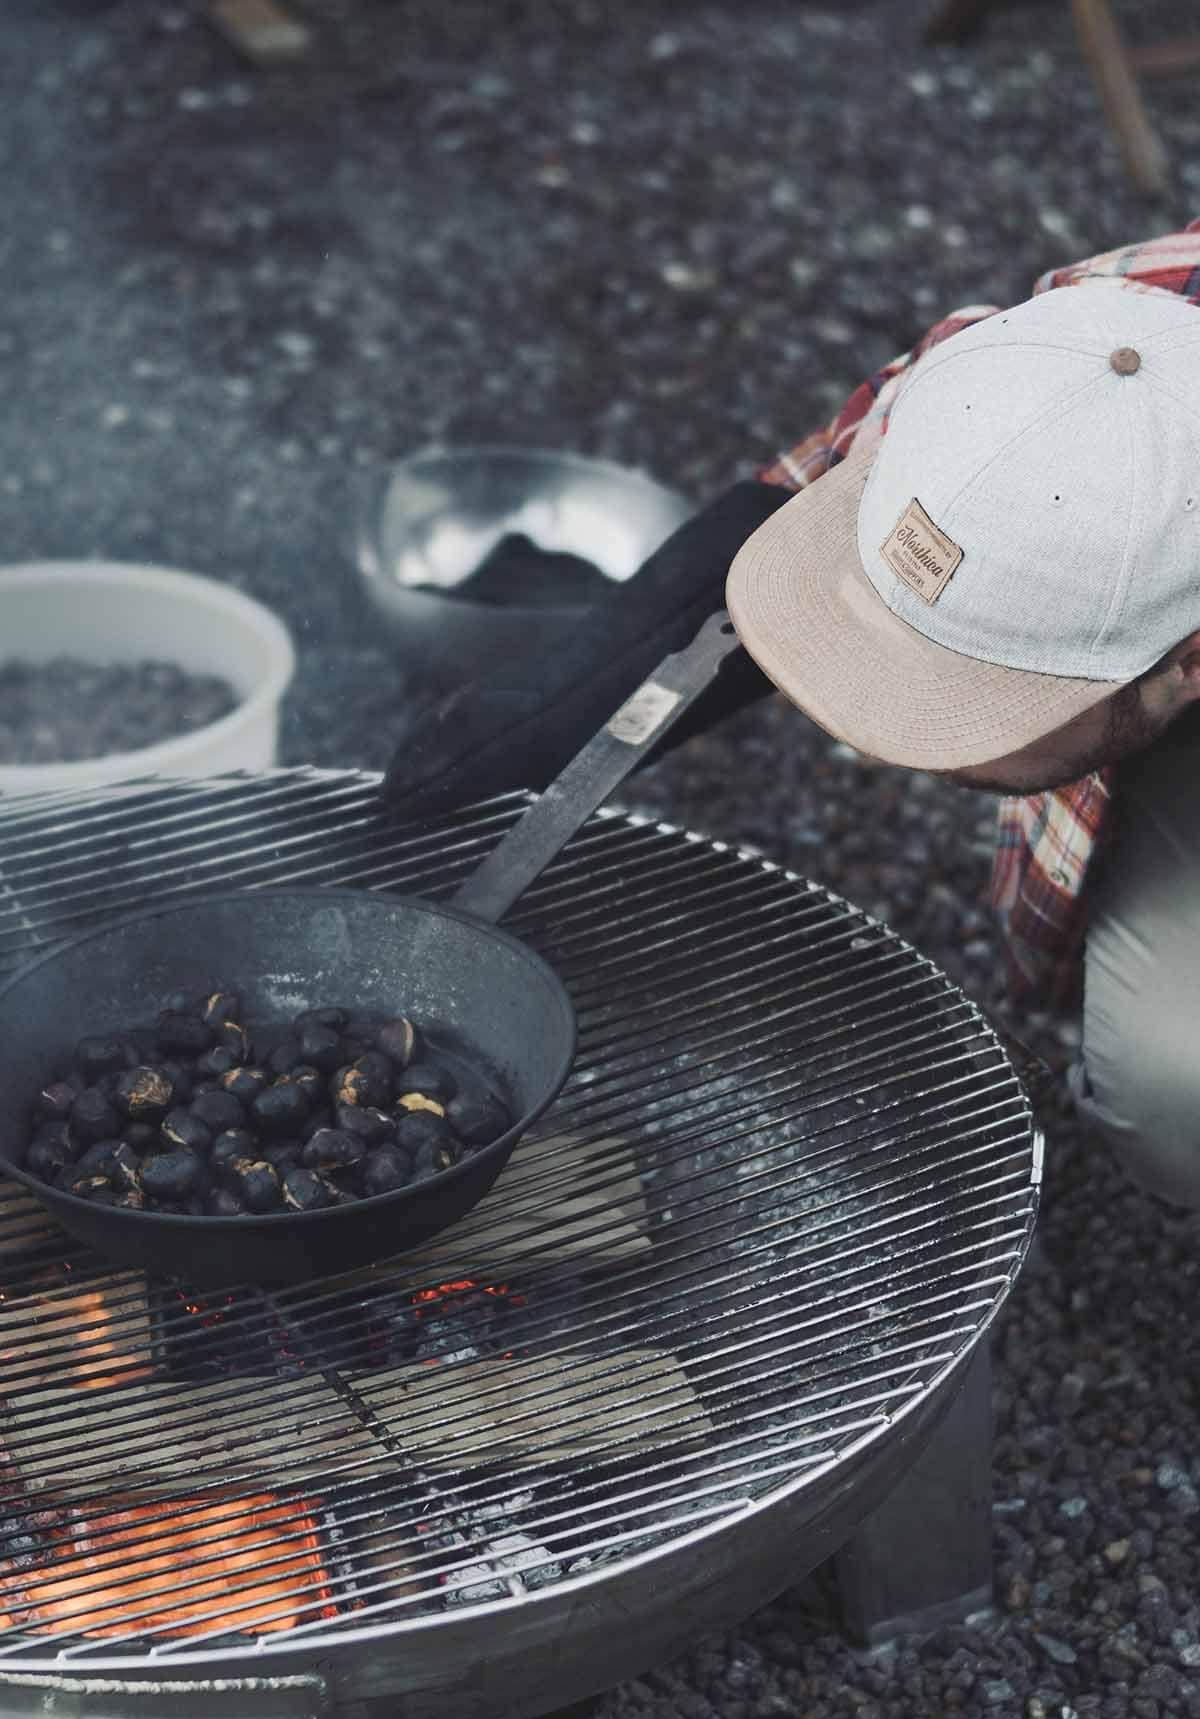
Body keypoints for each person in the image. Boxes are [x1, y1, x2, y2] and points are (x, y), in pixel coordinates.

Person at [385, 220, 1200, 1211]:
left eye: (991, 685)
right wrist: (605, 672)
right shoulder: (1102, 333)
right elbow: (857, 467)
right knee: (1172, 1097)